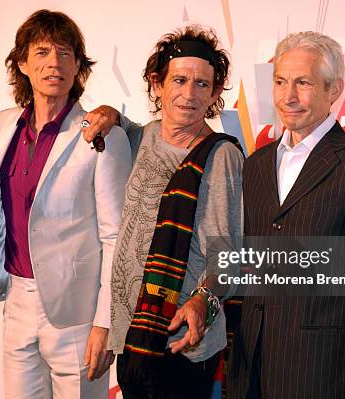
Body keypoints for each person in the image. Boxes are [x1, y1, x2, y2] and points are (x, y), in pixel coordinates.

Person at [227, 31, 345, 399]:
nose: (288, 96)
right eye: (280, 82)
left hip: (326, 376)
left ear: (334, 89)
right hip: (249, 373)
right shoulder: (256, 165)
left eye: (303, 83)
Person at [0, 9, 131, 399]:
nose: (54, 63)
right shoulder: (5, 125)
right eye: (41, 52)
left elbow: (115, 238)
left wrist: (104, 323)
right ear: (22, 63)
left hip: (77, 312)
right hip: (15, 299)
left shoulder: (100, 135)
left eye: (65, 53)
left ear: (78, 68)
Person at [83, 26, 243, 399]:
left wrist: (203, 301)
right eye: (180, 80)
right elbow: (118, 125)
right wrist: (108, 113)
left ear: (216, 93)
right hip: (132, 336)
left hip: (181, 337)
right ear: (157, 84)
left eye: (202, 84)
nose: (189, 94)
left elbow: (229, 254)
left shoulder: (221, 156)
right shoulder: (141, 137)